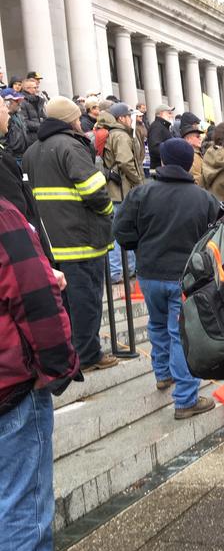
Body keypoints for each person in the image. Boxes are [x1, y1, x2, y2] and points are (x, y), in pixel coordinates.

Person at [0, 196, 99, 551]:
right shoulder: (5, 217)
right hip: (12, 384)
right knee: (23, 500)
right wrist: (56, 367)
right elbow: (33, 295)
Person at [113, 138, 219, 417]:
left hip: (149, 273)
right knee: (181, 334)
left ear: (162, 161)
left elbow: (121, 230)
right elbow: (217, 235)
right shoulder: (204, 198)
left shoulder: (141, 194)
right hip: (184, 277)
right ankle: (185, 399)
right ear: (188, 164)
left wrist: (140, 248)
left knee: (158, 326)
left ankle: (163, 374)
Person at [23, 96, 119, 372]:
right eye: (77, 117)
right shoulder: (70, 146)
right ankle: (88, 355)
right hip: (82, 239)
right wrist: (107, 210)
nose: (80, 121)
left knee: (64, 304)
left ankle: (71, 352)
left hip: (52, 242)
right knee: (86, 302)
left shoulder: (32, 151)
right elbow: (93, 191)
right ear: (69, 120)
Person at [0, 98, 51, 262]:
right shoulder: (2, 161)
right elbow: (17, 212)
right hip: (19, 256)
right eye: (3, 106)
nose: (7, 111)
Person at [101, 103, 144, 283]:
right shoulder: (120, 135)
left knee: (122, 230)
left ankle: (128, 269)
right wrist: (140, 182)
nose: (131, 119)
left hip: (120, 191)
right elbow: (126, 162)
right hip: (120, 192)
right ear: (121, 118)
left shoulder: (119, 134)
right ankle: (117, 272)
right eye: (129, 116)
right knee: (119, 232)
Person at [2, 87, 31, 162]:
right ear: (7, 102)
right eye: (16, 100)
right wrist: (10, 159)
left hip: (23, 156)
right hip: (13, 158)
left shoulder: (19, 115)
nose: (19, 103)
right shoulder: (3, 120)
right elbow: (3, 141)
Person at [147, 104, 174, 170]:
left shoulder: (162, 126)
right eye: (169, 113)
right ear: (161, 113)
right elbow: (155, 148)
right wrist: (171, 153)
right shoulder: (157, 127)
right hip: (159, 169)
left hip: (163, 168)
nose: (171, 116)